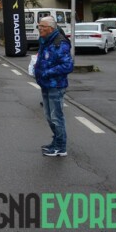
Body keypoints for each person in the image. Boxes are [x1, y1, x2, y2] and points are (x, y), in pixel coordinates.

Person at [34, 16, 74, 157]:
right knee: (49, 116)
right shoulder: (45, 40)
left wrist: (47, 72)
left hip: (55, 85)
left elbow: (68, 65)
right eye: (39, 26)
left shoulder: (60, 43)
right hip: (45, 84)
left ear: (50, 28)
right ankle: (56, 142)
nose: (39, 28)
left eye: (42, 26)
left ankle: (61, 147)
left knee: (56, 117)